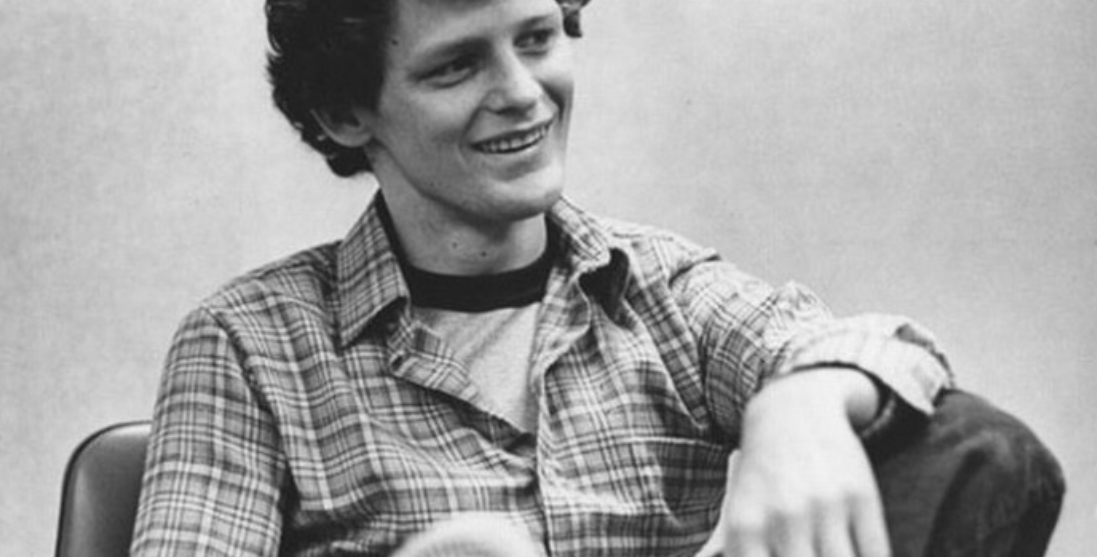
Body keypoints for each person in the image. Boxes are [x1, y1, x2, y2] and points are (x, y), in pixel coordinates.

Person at [130, 0, 1065, 556]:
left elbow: (885, 351)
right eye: (456, 66)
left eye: (537, 37)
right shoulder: (248, 344)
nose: (522, 93)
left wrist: (800, 403)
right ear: (344, 113)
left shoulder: (659, 291)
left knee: (979, 448)